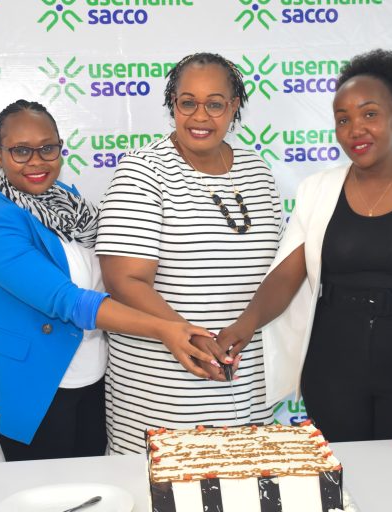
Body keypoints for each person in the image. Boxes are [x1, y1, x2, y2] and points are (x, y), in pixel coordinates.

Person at [217, 49, 392, 446]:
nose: (356, 129)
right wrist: (245, 323)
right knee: (342, 489)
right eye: (343, 120)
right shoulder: (317, 190)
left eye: (369, 114)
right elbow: (287, 276)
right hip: (331, 368)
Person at [0, 99, 214, 462]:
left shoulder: (69, 204)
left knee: (92, 491)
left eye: (48, 148)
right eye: (21, 151)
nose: (37, 160)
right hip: (38, 385)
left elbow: (111, 274)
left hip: (95, 378)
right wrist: (166, 328)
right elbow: (69, 302)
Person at [95, 53, 283, 454]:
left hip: (247, 382)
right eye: (187, 103)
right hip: (165, 391)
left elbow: (274, 273)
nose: (201, 116)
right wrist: (189, 335)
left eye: (215, 104)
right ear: (172, 105)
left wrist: (247, 324)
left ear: (233, 107)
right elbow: (123, 280)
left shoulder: (257, 169)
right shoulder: (142, 171)